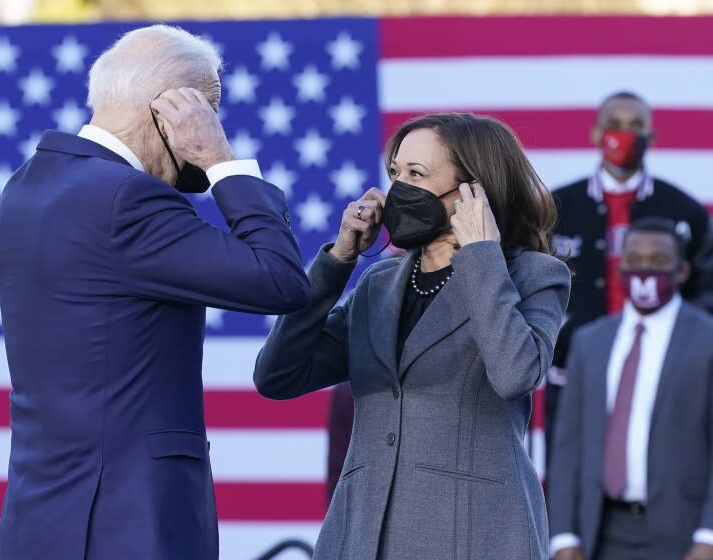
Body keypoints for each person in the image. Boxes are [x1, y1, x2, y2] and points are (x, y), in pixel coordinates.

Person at [0, 25, 310, 560]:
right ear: (168, 110)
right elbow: (279, 279)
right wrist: (221, 161)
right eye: (209, 109)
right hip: (129, 522)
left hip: (42, 517)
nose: (213, 122)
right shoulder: (125, 199)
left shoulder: (28, 185)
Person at [254, 113, 571, 559]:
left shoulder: (534, 275)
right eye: (395, 174)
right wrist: (336, 263)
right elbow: (278, 376)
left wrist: (480, 255)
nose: (398, 190)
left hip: (472, 534)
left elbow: (515, 374)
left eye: (416, 175)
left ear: (472, 192)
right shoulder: (378, 284)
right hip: (364, 534)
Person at [546, 91, 713, 462]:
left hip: (662, 375)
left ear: (652, 137)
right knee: (572, 484)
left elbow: (707, 291)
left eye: (636, 126)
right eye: (614, 125)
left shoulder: (684, 211)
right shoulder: (555, 209)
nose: (624, 135)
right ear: (595, 134)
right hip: (574, 372)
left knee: (662, 477)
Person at [548, 217, 713, 560]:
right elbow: (568, 447)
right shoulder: (590, 342)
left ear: (681, 271)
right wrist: (562, 536)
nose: (644, 271)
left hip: (684, 534)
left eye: (658, 262)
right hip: (601, 534)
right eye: (635, 261)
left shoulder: (707, 339)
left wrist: (708, 535)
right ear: (621, 267)